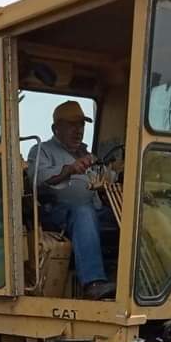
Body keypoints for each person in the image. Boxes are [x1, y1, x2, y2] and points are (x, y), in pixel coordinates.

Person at [27, 101, 116, 300]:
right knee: (83, 211)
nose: (78, 131)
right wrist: (69, 170)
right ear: (55, 128)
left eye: (82, 125)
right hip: (57, 212)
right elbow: (38, 180)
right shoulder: (42, 150)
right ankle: (93, 283)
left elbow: (107, 178)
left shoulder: (88, 154)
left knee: (128, 219)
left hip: (95, 211)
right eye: (72, 125)